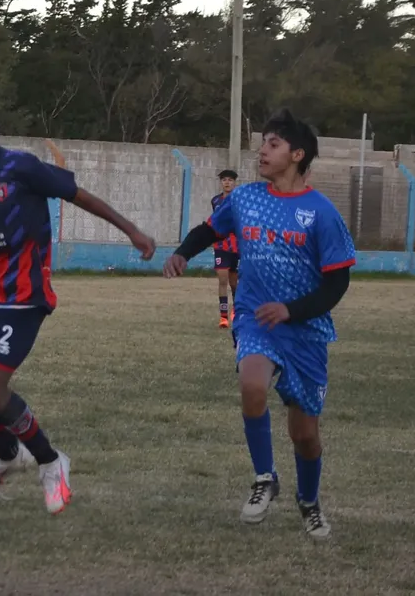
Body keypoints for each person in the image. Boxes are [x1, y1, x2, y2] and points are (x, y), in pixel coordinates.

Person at [0, 96, 156, 515]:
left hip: (22, 300)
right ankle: (9, 454)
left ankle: (51, 462)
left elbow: (79, 195)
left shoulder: (21, 168)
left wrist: (131, 230)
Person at [163, 108, 355, 539]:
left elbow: (337, 284)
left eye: (273, 144)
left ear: (297, 154)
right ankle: (264, 478)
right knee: (251, 384)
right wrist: (182, 252)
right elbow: (211, 229)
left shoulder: (321, 213)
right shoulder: (245, 198)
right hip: (254, 317)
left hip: (304, 330)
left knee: (305, 436)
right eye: (262, 142)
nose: (261, 151)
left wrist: (292, 310)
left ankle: (309, 502)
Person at [211, 169, 240, 328]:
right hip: (221, 245)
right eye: (224, 180)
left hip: (237, 246)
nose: (227, 182)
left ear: (234, 182)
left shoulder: (240, 200)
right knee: (222, 279)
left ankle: (236, 311)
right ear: (221, 182)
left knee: (234, 283)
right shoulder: (215, 201)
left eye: (230, 180)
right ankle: (223, 317)